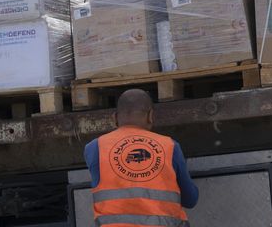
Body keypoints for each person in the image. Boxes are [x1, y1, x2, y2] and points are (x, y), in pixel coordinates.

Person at [85, 89, 199, 226]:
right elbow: (190, 199)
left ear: (114, 118)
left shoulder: (95, 148)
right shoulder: (170, 146)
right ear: (150, 116)